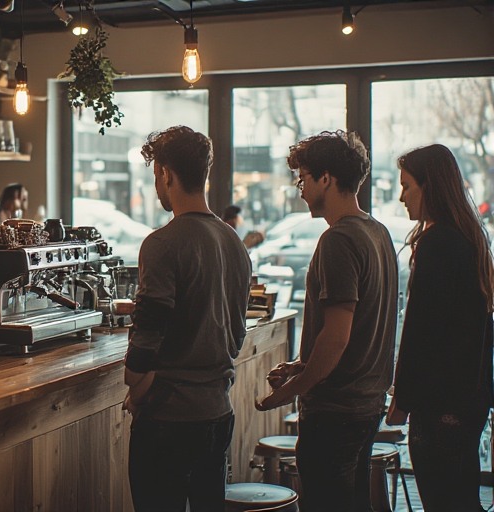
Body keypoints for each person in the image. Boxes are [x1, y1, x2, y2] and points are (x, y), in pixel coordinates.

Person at [255, 130, 398, 512]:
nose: (300, 188)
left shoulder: (339, 240)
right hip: (367, 404)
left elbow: (336, 338)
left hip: (335, 412)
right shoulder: (378, 232)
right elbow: (360, 332)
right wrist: (303, 365)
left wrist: (290, 391)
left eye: (303, 178)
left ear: (326, 178)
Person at [123, 125, 252, 511]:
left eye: (156, 176)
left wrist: (137, 386)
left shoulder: (162, 244)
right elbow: (235, 337)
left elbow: (146, 343)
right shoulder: (235, 244)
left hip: (168, 422)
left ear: (165, 173)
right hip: (218, 415)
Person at [386, 144, 494, 512]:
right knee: (462, 495)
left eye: (407, 186)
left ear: (429, 186)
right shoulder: (470, 237)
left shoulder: (438, 242)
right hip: (469, 398)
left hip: (441, 403)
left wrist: (402, 400)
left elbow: (421, 331)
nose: (401, 197)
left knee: (443, 500)